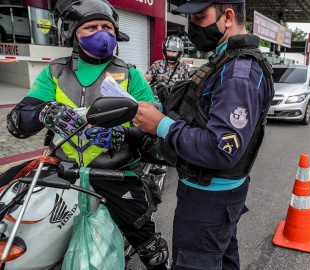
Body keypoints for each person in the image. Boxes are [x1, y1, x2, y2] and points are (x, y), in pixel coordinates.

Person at [5, 0, 168, 269]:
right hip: (62, 170)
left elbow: (153, 129)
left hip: (117, 173)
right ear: (72, 33)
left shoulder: (131, 75)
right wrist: (44, 111)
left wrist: (122, 135)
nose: (101, 32)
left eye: (107, 27)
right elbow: (18, 120)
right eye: (91, 27)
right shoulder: (54, 72)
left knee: (151, 249)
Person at [132, 0, 274, 268]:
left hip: (209, 197)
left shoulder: (238, 73)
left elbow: (221, 149)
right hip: (213, 194)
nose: (192, 28)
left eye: (199, 17)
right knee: (223, 258)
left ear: (228, 16)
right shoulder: (224, 60)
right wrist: (160, 109)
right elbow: (200, 108)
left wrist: (160, 125)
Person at [145, 35, 192, 99]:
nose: (171, 54)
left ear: (179, 52)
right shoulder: (158, 64)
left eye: (174, 52)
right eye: (169, 51)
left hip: (175, 102)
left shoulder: (185, 68)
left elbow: (192, 86)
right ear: (165, 51)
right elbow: (145, 78)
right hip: (157, 100)